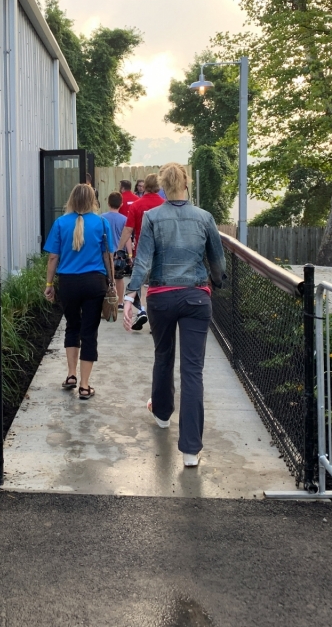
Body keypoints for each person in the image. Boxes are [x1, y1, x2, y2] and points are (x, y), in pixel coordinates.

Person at [123, 163, 226, 467]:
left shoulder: (153, 217)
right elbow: (217, 262)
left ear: (164, 186)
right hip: (196, 297)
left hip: (161, 299)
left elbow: (142, 262)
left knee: (163, 356)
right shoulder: (205, 218)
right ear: (186, 183)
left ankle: (162, 414)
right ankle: (191, 450)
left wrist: (130, 295)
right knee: (193, 371)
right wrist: (217, 284)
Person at [43, 183, 113, 401]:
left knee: (72, 326)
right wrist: (111, 282)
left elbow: (53, 257)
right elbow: (107, 256)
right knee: (89, 332)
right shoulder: (102, 223)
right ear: (93, 199)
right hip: (94, 283)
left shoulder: (60, 223)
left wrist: (49, 284)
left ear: (71, 199)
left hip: (68, 284)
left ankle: (71, 375)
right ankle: (84, 386)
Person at [116, 173, 164, 330]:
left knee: (137, 284)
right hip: (161, 253)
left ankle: (142, 311)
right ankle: (155, 321)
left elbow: (128, 230)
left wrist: (119, 249)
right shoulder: (165, 205)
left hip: (141, 253)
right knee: (157, 287)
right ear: (158, 186)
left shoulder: (136, 204)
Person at [102, 192, 130, 306]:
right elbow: (127, 238)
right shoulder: (124, 219)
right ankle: (119, 302)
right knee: (119, 278)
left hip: (105, 252)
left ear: (108, 203)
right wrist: (130, 255)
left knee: (105, 278)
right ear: (121, 204)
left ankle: (106, 301)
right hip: (119, 254)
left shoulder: (102, 218)